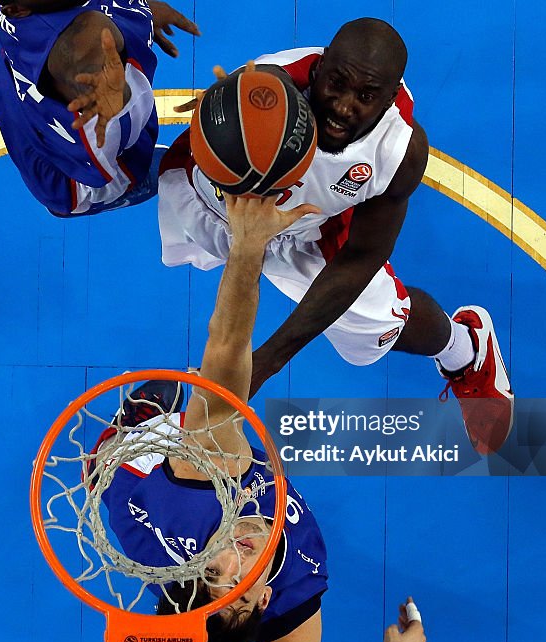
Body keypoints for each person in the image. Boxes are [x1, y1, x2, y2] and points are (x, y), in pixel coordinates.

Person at [158, 18, 514, 455]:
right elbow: (230, 115)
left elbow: (361, 257)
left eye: (365, 97)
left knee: (380, 323)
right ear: (320, 69)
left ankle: (465, 349)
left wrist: (265, 363)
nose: (344, 106)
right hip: (216, 208)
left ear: (387, 100)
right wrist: (223, 114)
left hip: (304, 230)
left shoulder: (399, 151)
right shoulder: (270, 89)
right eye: (337, 85)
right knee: (97, 175)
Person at [94, 194, 425, 642]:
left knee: (123, 468)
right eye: (241, 588)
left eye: (212, 572)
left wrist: (248, 244)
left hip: (148, 507)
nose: (233, 555)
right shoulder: (291, 594)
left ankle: (129, 436)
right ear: (265, 598)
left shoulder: (205, 480)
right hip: (215, 587)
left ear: (196, 567)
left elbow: (226, 347)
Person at [0, 0, 198, 216]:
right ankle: (118, 190)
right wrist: (140, 18)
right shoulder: (82, 46)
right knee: (133, 162)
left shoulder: (23, 8)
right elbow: (86, 44)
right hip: (76, 171)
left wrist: (141, 9)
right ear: (17, 9)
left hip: (12, 86)